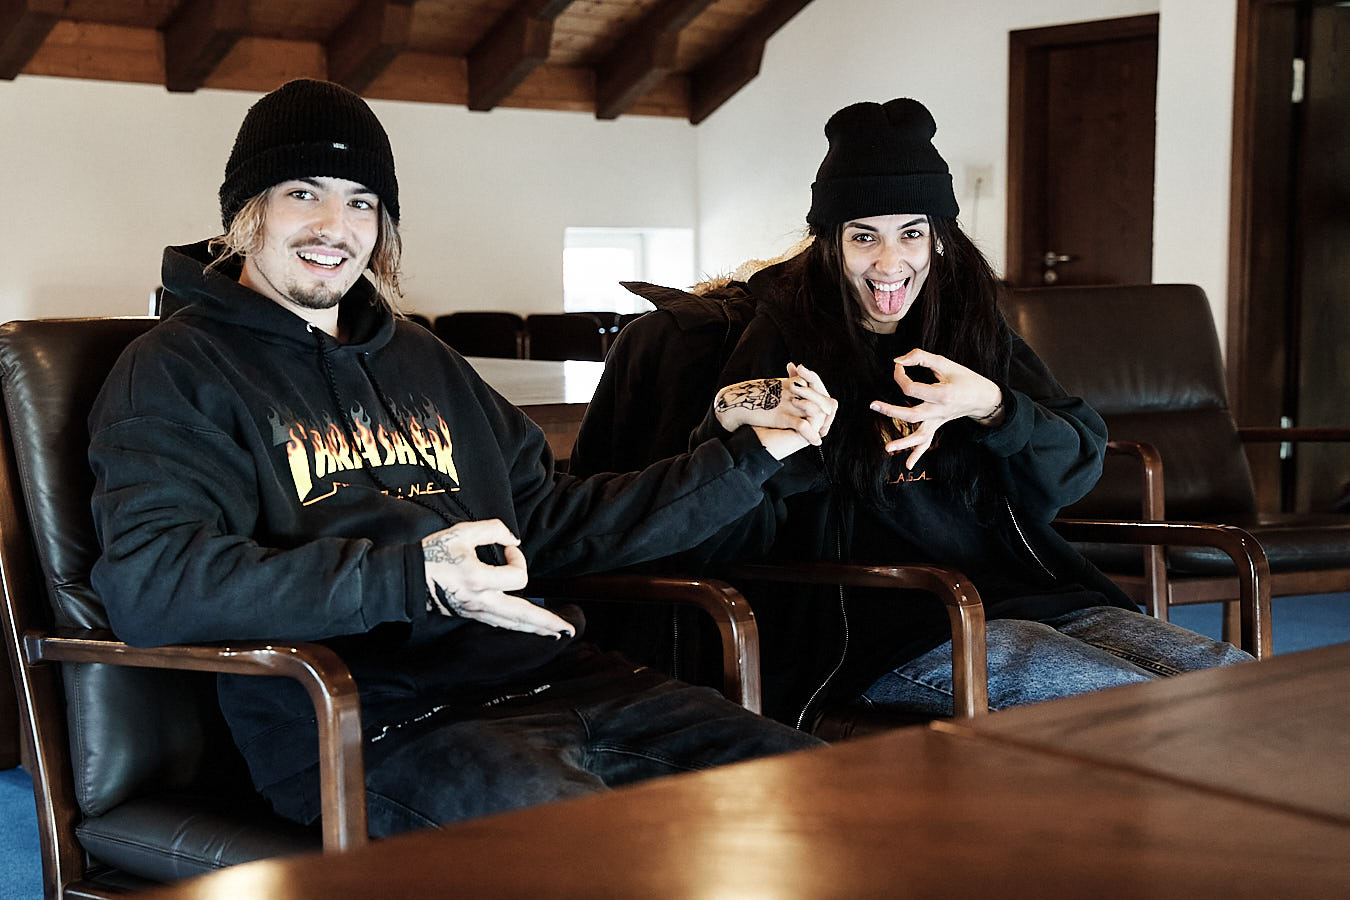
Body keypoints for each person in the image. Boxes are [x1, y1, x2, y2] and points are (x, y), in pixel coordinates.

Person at [86, 79, 834, 836]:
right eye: (301, 193)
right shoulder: (178, 369)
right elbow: (154, 583)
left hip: (559, 677)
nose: (332, 226)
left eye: (361, 202)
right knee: (615, 854)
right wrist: (417, 578)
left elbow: (549, 519)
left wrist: (747, 459)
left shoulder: (421, 357)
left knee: (832, 798)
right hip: (374, 722)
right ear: (248, 213)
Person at [682, 98, 1252, 727]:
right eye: (864, 235)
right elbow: (725, 527)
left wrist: (994, 407)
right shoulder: (785, 338)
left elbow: (1076, 468)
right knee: (1136, 711)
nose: (890, 262)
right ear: (830, 245)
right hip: (893, 627)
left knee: (1247, 688)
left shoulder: (969, 325)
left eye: (912, 233)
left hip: (1032, 593)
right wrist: (756, 431)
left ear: (938, 237)